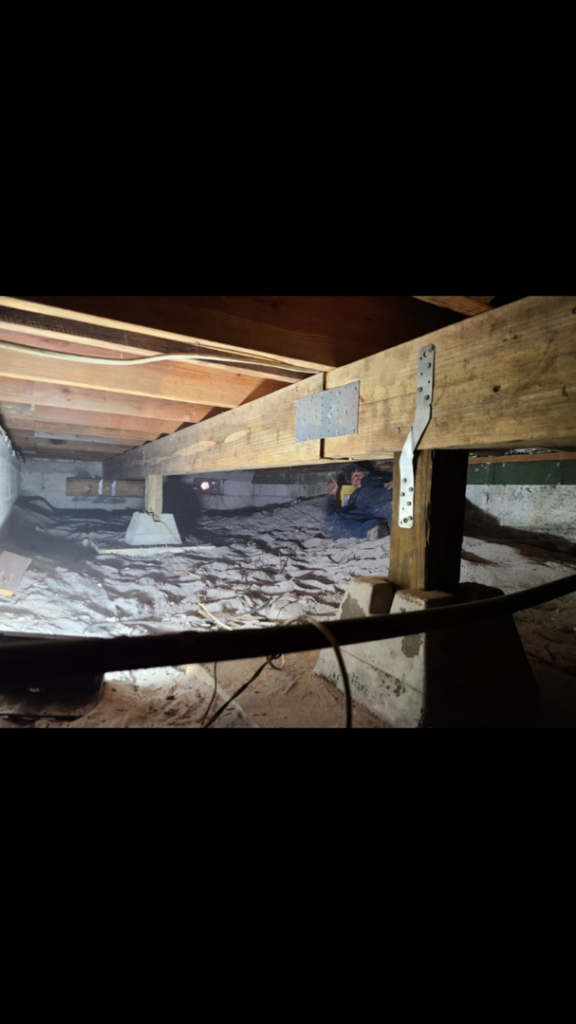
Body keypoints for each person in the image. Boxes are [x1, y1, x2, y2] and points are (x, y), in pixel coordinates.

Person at [323, 464, 393, 540]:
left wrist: (397, 480)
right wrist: (331, 495)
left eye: (358, 474)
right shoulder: (352, 499)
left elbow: (403, 473)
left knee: (383, 504)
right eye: (352, 477)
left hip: (380, 496)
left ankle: (394, 510)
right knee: (330, 523)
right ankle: (374, 530)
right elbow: (330, 515)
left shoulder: (378, 477)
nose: (355, 477)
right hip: (364, 511)